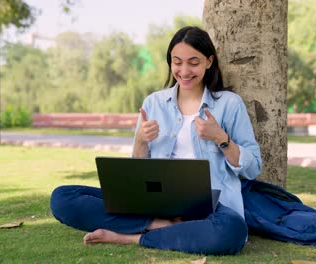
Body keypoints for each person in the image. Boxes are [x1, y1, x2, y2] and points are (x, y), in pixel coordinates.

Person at [50, 26, 262, 255]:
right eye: (177, 62)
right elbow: (137, 172)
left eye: (194, 62)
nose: (184, 70)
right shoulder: (154, 103)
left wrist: (220, 138)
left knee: (232, 231)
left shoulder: (229, 104)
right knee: (62, 197)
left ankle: (129, 237)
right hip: (156, 201)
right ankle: (159, 225)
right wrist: (140, 142)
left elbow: (253, 168)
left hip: (209, 207)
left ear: (209, 62)